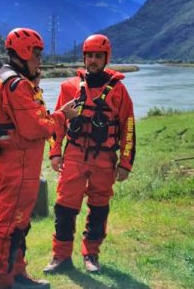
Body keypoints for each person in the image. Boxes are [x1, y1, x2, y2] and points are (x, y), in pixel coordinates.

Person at [0, 27, 78, 289]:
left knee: (17, 223)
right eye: (37, 55)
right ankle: (3, 282)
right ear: (23, 53)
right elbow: (36, 127)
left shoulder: (0, 79)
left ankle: (17, 275)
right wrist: (63, 116)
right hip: (18, 166)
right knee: (10, 225)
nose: (40, 61)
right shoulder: (18, 85)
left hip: (7, 164)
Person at [43, 34, 135, 274]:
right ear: (84, 58)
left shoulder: (119, 92)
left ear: (106, 58)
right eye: (89, 56)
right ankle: (60, 256)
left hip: (104, 159)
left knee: (99, 208)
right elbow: (58, 123)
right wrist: (55, 153)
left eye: (98, 56)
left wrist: (125, 163)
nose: (93, 61)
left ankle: (91, 254)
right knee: (64, 207)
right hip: (74, 155)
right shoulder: (69, 88)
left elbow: (128, 127)